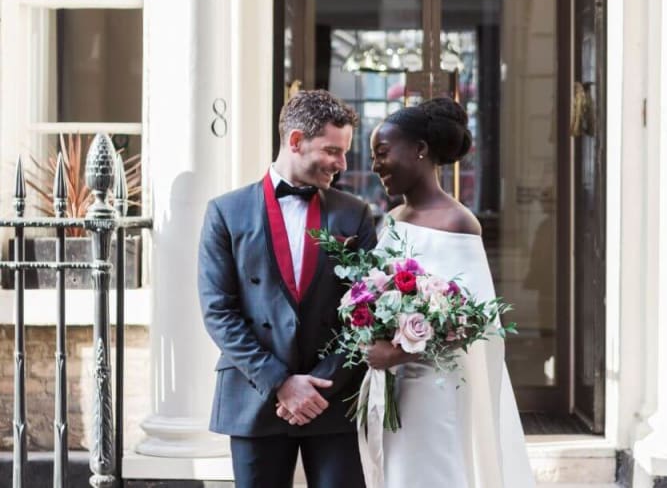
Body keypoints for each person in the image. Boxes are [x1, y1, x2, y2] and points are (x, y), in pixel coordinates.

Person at [198, 90, 377, 488]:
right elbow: (218, 311)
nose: (342, 164)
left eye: (344, 153)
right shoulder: (225, 212)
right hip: (255, 394)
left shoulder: (355, 213)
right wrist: (281, 382)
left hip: (332, 397)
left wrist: (319, 387)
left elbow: (369, 310)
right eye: (333, 150)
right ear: (295, 141)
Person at [365, 98, 535, 487]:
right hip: (391, 379)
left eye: (382, 153)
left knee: (430, 470)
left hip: (435, 380)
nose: (376, 166)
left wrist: (398, 350)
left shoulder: (458, 221)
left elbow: (472, 318)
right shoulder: (392, 219)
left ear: (419, 150)